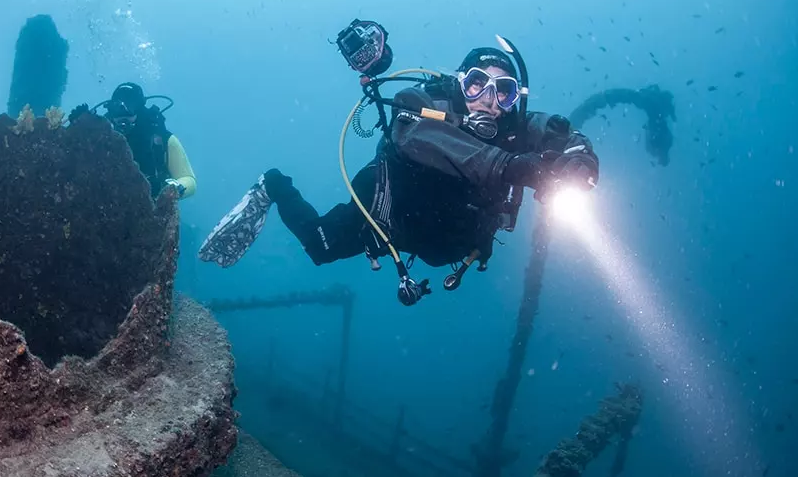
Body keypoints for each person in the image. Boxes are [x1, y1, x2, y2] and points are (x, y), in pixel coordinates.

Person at [199, 45, 599, 304]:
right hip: (384, 212)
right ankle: (273, 185)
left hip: (447, 241)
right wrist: (512, 166)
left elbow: (563, 134)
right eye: (478, 85)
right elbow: (417, 139)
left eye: (504, 91)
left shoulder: (517, 126)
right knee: (321, 248)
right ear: (461, 83)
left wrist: (580, 162)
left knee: (442, 251)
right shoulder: (420, 103)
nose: (489, 101)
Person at [70, 82, 198, 200]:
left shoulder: (163, 140)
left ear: (140, 110)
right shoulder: (97, 135)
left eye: (129, 113)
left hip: (147, 210)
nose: (123, 121)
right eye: (118, 114)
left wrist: (174, 188)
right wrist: (77, 130)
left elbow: (189, 180)